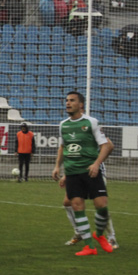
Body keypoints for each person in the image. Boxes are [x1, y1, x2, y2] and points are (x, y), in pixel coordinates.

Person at [52, 91, 115, 257]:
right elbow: (63, 147)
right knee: (77, 206)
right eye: (66, 100)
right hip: (72, 172)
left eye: (72, 100)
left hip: (90, 170)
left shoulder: (91, 122)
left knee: (102, 205)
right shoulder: (63, 125)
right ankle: (89, 246)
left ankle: (100, 235)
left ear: (80, 105)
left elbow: (106, 146)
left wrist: (96, 164)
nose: (67, 103)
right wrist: (58, 167)